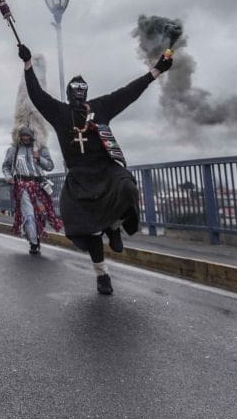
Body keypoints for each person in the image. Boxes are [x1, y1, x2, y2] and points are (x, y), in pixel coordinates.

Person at [17, 43, 172, 294]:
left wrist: (156, 70)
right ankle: (102, 275)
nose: (79, 94)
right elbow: (37, 95)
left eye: (82, 90)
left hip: (106, 170)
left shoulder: (100, 108)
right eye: (75, 91)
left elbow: (128, 93)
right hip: (80, 179)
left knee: (128, 187)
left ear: (86, 92)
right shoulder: (60, 113)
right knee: (89, 230)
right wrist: (27, 64)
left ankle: (116, 226)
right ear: (69, 94)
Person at [1, 127, 58, 255]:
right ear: (19, 136)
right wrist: (8, 177)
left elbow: (50, 166)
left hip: (39, 187)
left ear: (32, 136)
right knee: (29, 215)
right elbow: (6, 166)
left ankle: (36, 236)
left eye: (27, 135)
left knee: (41, 214)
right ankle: (33, 242)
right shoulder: (13, 150)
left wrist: (39, 158)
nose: (25, 138)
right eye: (23, 135)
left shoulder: (41, 149)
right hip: (23, 188)